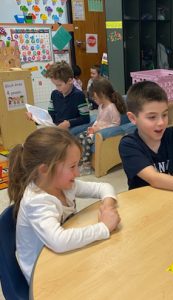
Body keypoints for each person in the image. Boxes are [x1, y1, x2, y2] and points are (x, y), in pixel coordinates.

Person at [8, 127, 120, 283]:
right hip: (40, 273)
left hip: (60, 256)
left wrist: (107, 207)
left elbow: (104, 187)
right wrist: (103, 227)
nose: (78, 173)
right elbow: (58, 241)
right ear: (45, 170)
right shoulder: (36, 201)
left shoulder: (64, 185)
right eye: (72, 166)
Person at [26, 61, 90, 135]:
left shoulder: (79, 95)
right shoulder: (54, 94)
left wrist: (69, 123)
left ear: (70, 81)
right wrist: (35, 118)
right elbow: (50, 116)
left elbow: (85, 118)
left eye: (59, 85)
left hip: (72, 132)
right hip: (57, 130)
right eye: (55, 85)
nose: (57, 88)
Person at [79, 78, 126, 175]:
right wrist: (93, 126)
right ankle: (83, 158)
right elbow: (98, 119)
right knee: (80, 136)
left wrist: (99, 129)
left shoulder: (111, 107)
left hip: (102, 134)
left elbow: (115, 124)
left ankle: (86, 165)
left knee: (86, 141)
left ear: (102, 94)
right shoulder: (101, 106)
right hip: (95, 131)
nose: (94, 100)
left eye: (95, 98)